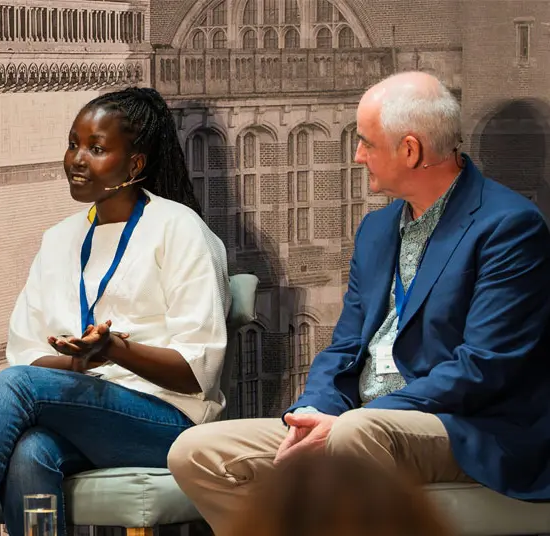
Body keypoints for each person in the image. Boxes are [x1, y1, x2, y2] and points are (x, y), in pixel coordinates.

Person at [167, 70, 550, 536]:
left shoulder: (509, 226)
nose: (357, 155)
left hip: (467, 427)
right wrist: (313, 410)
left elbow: (483, 368)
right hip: (358, 419)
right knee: (198, 452)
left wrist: (361, 417)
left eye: (367, 142)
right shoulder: (375, 230)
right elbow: (344, 347)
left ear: (410, 150)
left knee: (353, 436)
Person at [0, 87, 230, 536]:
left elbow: (195, 371)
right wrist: (80, 359)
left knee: (16, 388)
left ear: (135, 164)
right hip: (85, 410)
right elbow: (25, 356)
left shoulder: (180, 229)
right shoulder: (58, 239)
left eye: (97, 148)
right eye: (73, 144)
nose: (77, 159)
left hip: (170, 420)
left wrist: (116, 350)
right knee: (30, 452)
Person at [242, 451, 455, 536]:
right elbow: (330, 363)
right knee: (209, 447)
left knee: (351, 430)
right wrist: (311, 411)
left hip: (444, 416)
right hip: (335, 412)